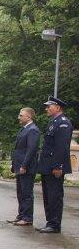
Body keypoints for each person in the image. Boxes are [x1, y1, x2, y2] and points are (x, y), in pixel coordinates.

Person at [36, 96, 73, 234]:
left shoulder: (63, 123)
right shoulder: (54, 122)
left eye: (49, 106)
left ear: (57, 107)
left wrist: (58, 166)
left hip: (54, 167)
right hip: (47, 166)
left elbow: (61, 147)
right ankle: (50, 222)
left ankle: (54, 224)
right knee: (47, 195)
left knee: (54, 196)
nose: (46, 109)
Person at [8, 107, 39, 227]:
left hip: (26, 167)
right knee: (20, 192)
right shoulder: (24, 129)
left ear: (29, 117)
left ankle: (27, 218)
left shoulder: (33, 130)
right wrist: (14, 163)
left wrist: (24, 165)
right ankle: (21, 215)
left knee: (26, 193)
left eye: (21, 115)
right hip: (20, 166)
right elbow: (19, 149)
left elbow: (31, 150)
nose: (19, 117)